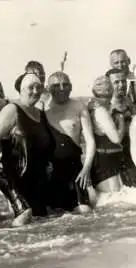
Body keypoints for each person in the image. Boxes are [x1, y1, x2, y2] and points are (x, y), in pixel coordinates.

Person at [0, 73, 53, 218]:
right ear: (21, 89)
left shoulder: (40, 113)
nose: (35, 91)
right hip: (14, 175)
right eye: (31, 87)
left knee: (39, 220)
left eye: (38, 87)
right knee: (23, 215)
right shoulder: (12, 109)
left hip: (35, 177)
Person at [45, 71, 94, 213]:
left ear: (71, 87)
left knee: (85, 211)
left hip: (75, 169)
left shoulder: (79, 107)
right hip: (51, 172)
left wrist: (86, 168)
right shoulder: (42, 109)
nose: (61, 88)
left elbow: (90, 141)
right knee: (52, 216)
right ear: (48, 88)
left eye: (65, 84)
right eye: (56, 85)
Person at [88, 75, 123, 193]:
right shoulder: (101, 111)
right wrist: (121, 119)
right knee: (113, 200)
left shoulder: (95, 107)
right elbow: (116, 138)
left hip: (103, 158)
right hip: (105, 161)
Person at [106, 68, 136, 187]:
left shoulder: (128, 101)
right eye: (116, 82)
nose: (121, 85)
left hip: (130, 149)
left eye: (124, 81)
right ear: (108, 85)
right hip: (113, 153)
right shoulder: (106, 105)